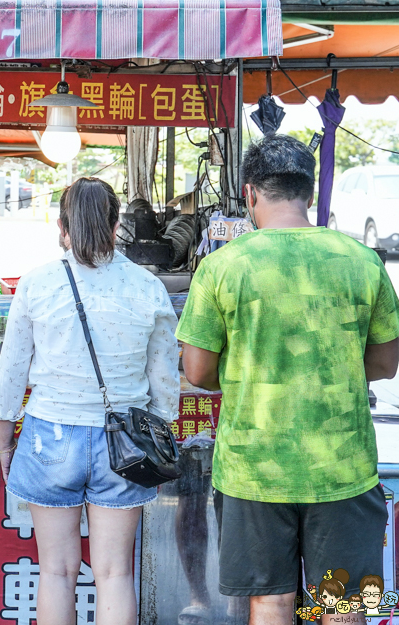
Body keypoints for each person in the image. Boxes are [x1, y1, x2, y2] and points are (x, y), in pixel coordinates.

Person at [176, 134, 398, 625]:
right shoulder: (363, 261)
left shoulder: (221, 267)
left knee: (269, 603)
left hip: (253, 469)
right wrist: (331, 364)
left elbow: (197, 372)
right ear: (310, 193)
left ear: (251, 193)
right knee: (340, 602)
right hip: (342, 467)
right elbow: (385, 365)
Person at [0, 177, 180, 625]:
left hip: (49, 436)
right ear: (118, 226)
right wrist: (159, 428)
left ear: (62, 226)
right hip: (125, 443)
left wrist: (4, 444)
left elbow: (11, 373)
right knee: (114, 573)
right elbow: (165, 378)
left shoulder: (36, 284)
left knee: (56, 571)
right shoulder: (147, 287)